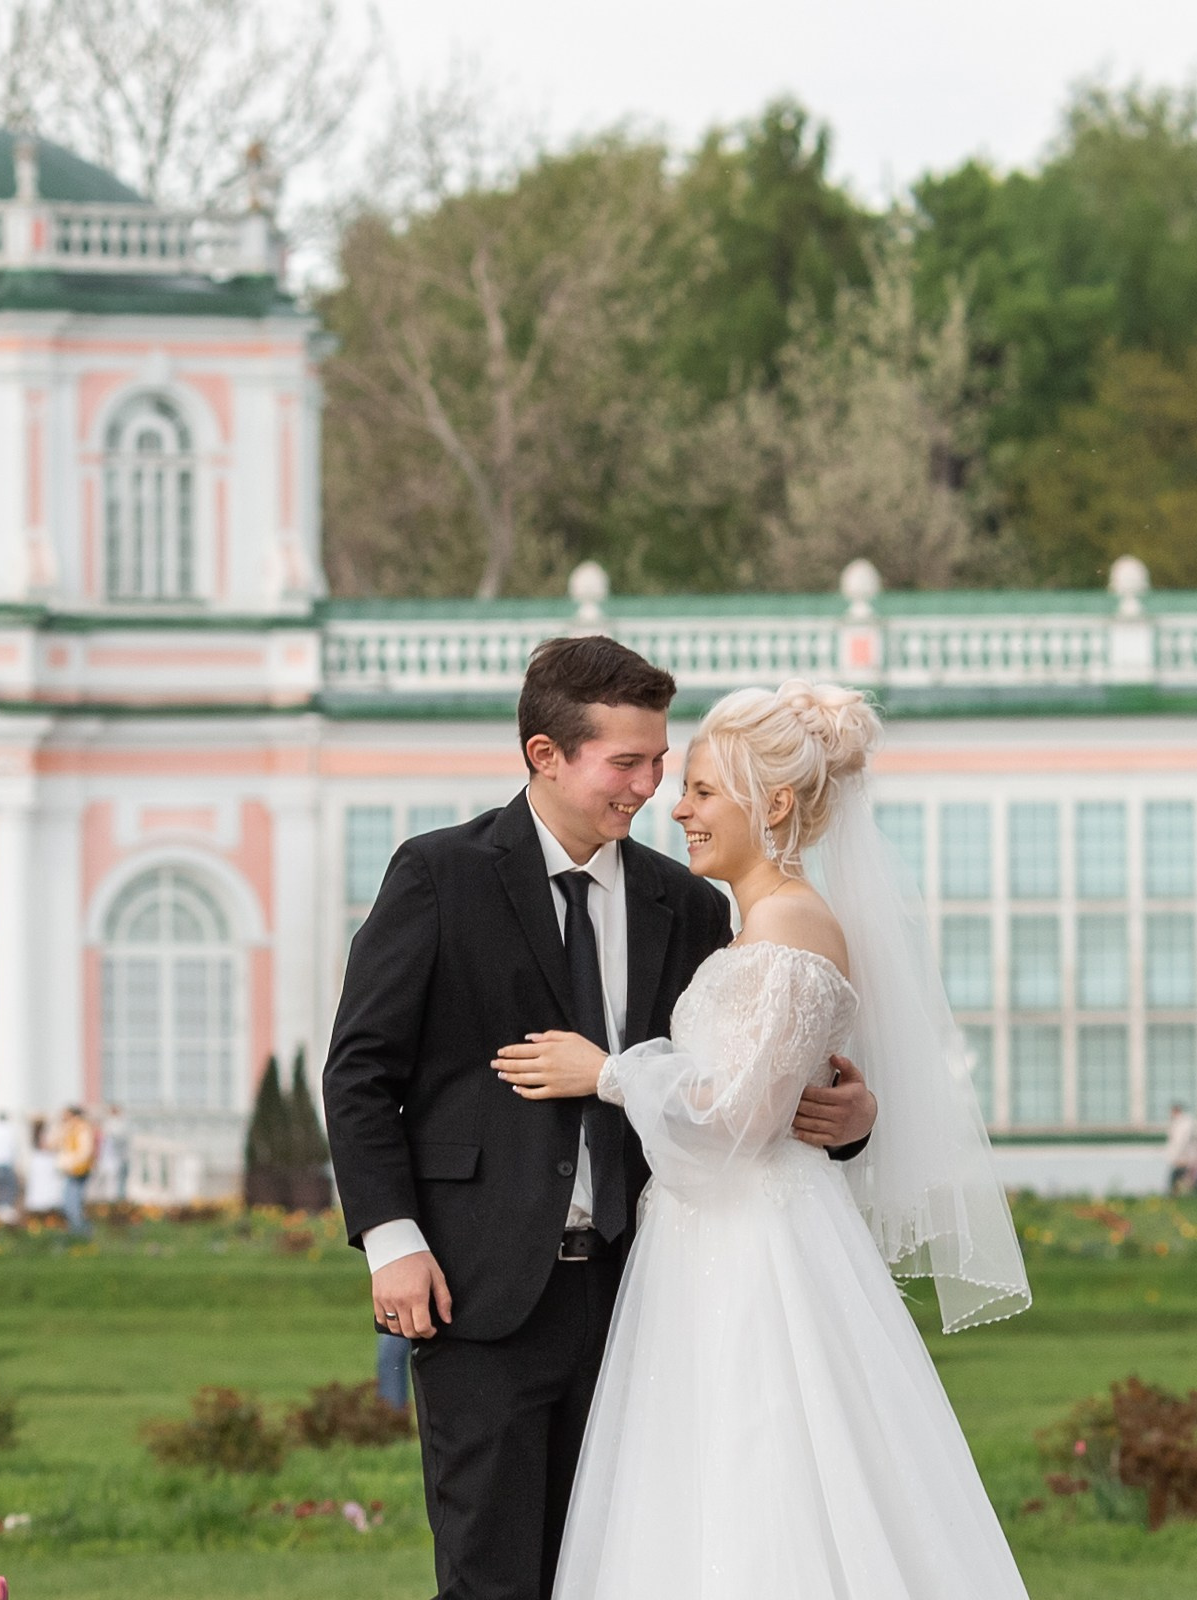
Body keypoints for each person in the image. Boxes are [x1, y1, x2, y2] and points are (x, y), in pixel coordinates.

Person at [324, 640, 886, 1600]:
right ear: (545, 755)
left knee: (629, 1571)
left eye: (661, 760)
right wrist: (392, 1241)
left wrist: (851, 1116)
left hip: (647, 1298)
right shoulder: (439, 876)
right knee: (491, 1578)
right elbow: (360, 1072)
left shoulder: (691, 905)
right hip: (481, 1291)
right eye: (626, 762)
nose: (651, 787)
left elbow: (739, 1084)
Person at [495, 680, 1034, 1596]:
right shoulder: (754, 925)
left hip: (754, 1251)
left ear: (774, 804)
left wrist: (609, 1073)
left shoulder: (787, 928)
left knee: (760, 1473)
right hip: (711, 1243)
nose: (678, 808)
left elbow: (734, 1124)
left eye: (702, 790)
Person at [57, 1105, 98, 1236]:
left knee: (72, 1201)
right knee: (70, 1201)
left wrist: (71, 1163)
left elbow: (85, 1151)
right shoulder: (72, 1128)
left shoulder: (82, 1129)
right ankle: (77, 1229)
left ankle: (80, 1230)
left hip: (78, 1169)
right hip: (73, 1169)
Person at [22, 1118, 64, 1218]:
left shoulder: (35, 1136)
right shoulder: (42, 1136)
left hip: (41, 1163)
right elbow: (47, 1146)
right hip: (44, 1162)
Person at [1163, 1101, 1197, 1195]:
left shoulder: (1184, 1123)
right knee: (1186, 1176)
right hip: (1184, 1157)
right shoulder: (1179, 1122)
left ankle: (1175, 1194)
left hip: (1184, 1157)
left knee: (1180, 1176)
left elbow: (1182, 1142)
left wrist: (1178, 1157)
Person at [95, 1103, 131, 1204]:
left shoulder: (115, 1125)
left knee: (114, 1183)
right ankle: (112, 1202)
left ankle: (114, 1202)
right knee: (113, 1183)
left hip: (115, 1158)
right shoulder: (116, 1125)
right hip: (112, 1159)